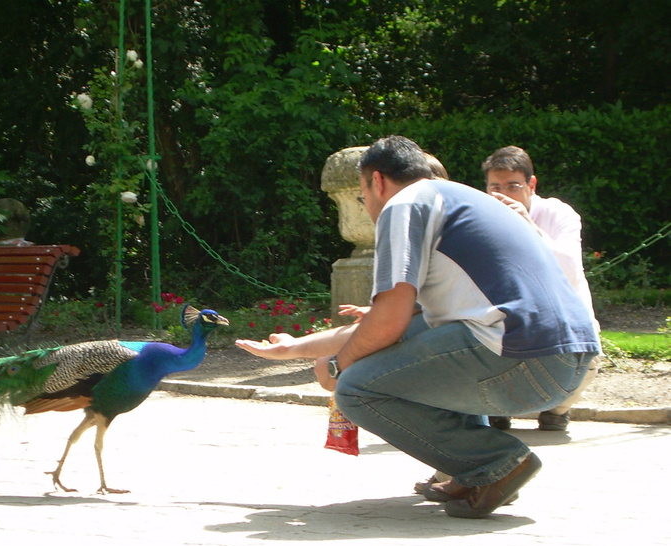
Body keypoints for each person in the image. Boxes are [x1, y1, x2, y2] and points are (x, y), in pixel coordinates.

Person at [236, 135, 599, 519]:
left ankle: (498, 463)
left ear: (377, 181)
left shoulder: (404, 205)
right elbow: (398, 327)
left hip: (525, 362)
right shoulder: (464, 200)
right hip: (571, 362)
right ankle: (477, 471)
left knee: (357, 388)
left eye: (362, 196)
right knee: (421, 339)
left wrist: (340, 368)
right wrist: (292, 348)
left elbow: (388, 320)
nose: (368, 207)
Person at [482, 146, 601, 432]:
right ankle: (495, 406)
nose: (503, 195)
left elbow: (569, 267)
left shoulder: (559, 213)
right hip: (508, 320)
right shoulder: (481, 217)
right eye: (495, 187)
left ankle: (557, 408)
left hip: (565, 318)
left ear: (531, 185)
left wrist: (528, 225)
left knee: (590, 355)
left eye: (513, 186)